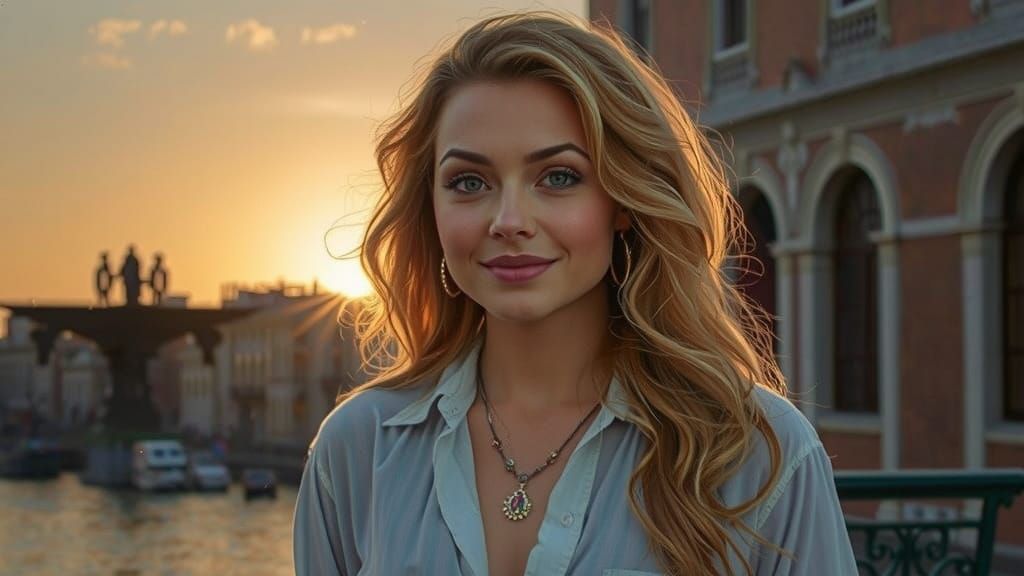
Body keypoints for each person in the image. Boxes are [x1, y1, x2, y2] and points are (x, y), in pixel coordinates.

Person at [293, 11, 858, 576]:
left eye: (558, 177)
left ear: (623, 202)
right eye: (469, 182)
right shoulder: (357, 450)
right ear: (430, 209)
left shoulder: (759, 452)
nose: (509, 220)